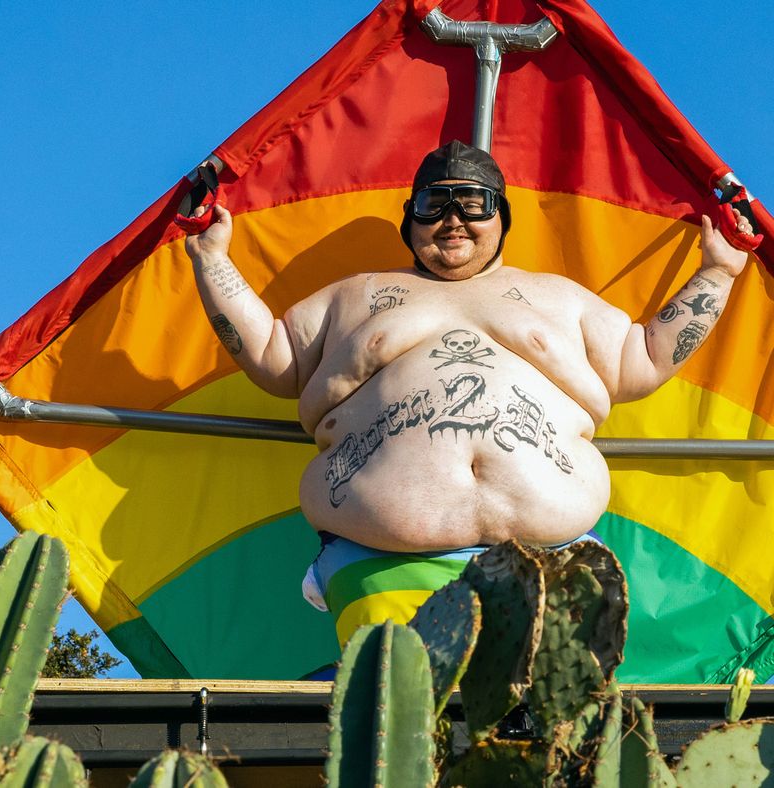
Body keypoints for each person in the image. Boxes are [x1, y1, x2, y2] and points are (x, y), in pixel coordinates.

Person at [184, 140, 754, 620]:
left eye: (474, 204)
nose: (453, 219)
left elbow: (644, 358)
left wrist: (719, 271)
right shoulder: (354, 296)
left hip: (555, 558)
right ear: (409, 217)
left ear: (502, 216)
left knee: (547, 717)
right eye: (434, 204)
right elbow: (272, 356)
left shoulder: (558, 298)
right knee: (396, 705)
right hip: (379, 558)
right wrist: (212, 260)